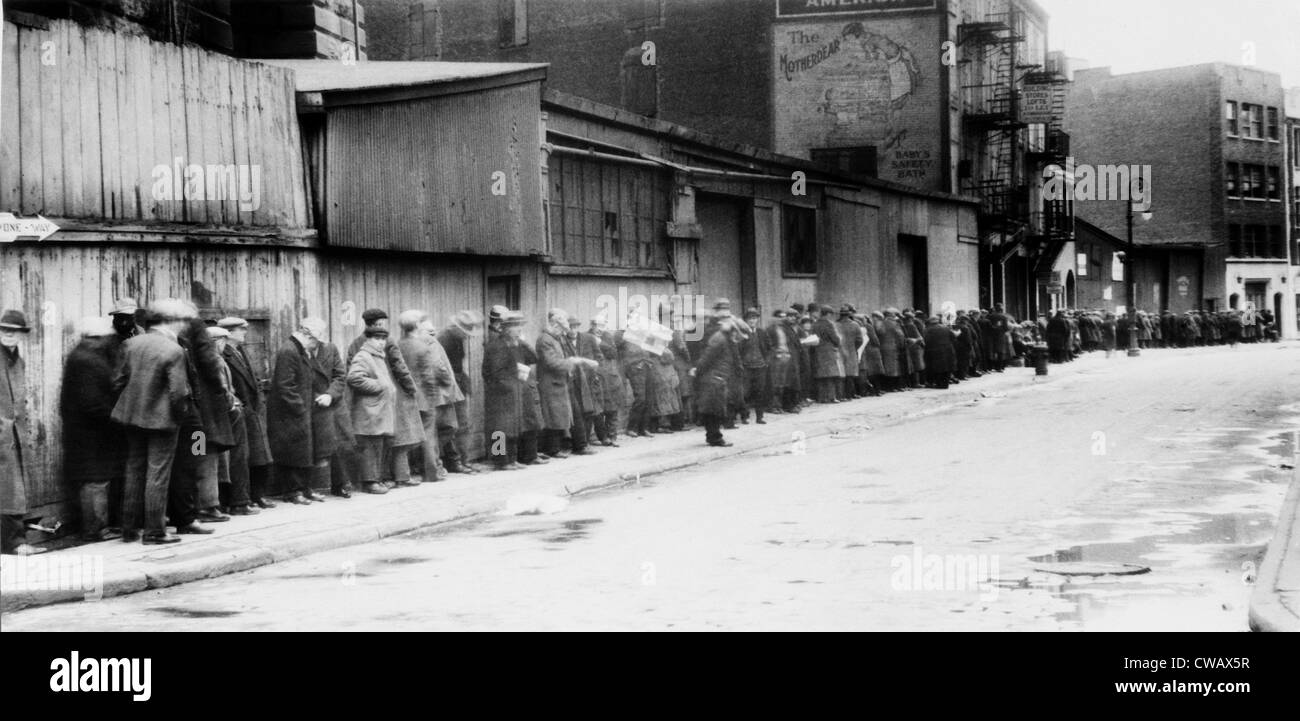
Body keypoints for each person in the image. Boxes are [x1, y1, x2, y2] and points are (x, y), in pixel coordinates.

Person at [110, 300, 195, 545]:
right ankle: (154, 532)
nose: (183, 326)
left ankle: (128, 529)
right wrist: (180, 417)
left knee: (134, 470)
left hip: (131, 418)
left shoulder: (131, 344)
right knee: (157, 475)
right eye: (181, 321)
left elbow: (117, 381)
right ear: (171, 322)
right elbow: (178, 393)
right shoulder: (173, 350)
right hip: (162, 421)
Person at [61, 317, 126, 542]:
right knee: (95, 478)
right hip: (91, 432)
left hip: (88, 430)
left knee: (96, 477)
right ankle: (95, 528)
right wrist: (115, 417)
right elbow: (92, 402)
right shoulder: (89, 360)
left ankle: (98, 526)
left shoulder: (84, 356)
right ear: (99, 338)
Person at [172, 314, 235, 531]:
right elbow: (220, 387)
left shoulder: (190, 359)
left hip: (203, 424)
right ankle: (205, 506)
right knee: (201, 460)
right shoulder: (206, 362)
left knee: (202, 459)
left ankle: (207, 505)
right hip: (203, 425)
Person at [268, 317, 330, 505]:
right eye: (314, 341)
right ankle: (293, 492)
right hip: (290, 413)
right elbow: (285, 385)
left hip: (299, 411)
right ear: (306, 335)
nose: (314, 345)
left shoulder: (298, 349)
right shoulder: (289, 351)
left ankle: (304, 489)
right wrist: (300, 408)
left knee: (304, 451)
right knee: (293, 452)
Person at [218, 317, 271, 512]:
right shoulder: (223, 356)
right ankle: (236, 501)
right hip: (235, 414)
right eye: (241, 330)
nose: (245, 333)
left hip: (250, 411)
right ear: (228, 333)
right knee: (236, 458)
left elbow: (252, 379)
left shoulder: (240, 351)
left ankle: (251, 497)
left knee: (255, 456)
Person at [2, 310, 42, 555]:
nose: (7, 333)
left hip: (12, 436)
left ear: (21, 335)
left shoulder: (18, 360)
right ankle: (14, 543)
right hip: (2, 433)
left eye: (13, 330)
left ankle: (14, 543)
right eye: (3, 329)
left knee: (12, 489)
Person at [347, 327, 397, 494]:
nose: (381, 342)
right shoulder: (363, 356)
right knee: (369, 446)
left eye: (383, 339)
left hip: (378, 409)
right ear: (367, 339)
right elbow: (354, 378)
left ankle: (377, 478)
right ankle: (369, 482)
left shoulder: (378, 356)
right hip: (369, 410)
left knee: (379, 444)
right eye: (377, 338)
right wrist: (379, 386)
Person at [397, 310, 444, 484]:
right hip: (423, 397)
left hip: (404, 398)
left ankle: (406, 473)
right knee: (428, 436)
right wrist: (432, 397)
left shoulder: (397, 345)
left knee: (406, 437)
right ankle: (431, 473)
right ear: (417, 326)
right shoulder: (423, 347)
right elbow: (428, 376)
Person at [437, 310, 484, 474]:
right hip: (449, 387)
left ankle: (462, 460)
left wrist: (465, 381)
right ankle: (454, 461)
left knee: (462, 424)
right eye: (465, 332)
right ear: (457, 327)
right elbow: (441, 368)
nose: (467, 336)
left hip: (458, 384)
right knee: (453, 425)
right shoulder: (444, 340)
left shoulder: (457, 339)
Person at [482, 310, 527, 471]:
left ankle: (512, 459)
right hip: (499, 394)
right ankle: (500, 461)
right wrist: (509, 386)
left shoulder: (514, 345)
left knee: (513, 426)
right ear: (507, 329)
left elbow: (532, 358)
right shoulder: (496, 346)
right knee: (499, 428)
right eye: (517, 328)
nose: (520, 331)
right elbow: (494, 373)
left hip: (512, 391)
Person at [694, 317, 744, 448]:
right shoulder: (719, 338)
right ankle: (715, 438)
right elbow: (707, 357)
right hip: (714, 379)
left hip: (718, 378)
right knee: (713, 410)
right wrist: (698, 370)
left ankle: (713, 437)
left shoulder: (725, 339)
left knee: (714, 409)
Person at [737, 307, 770, 424]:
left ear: (757, 320)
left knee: (759, 392)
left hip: (760, 367)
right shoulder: (742, 334)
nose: (752, 321)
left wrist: (766, 361)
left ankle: (759, 417)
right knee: (745, 393)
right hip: (746, 367)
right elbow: (737, 350)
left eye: (754, 318)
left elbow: (768, 348)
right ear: (745, 320)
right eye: (750, 319)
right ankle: (744, 417)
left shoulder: (761, 332)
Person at [766, 309, 801, 414]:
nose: (781, 319)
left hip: (786, 358)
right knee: (775, 383)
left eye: (783, 317)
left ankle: (783, 405)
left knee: (785, 382)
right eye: (779, 317)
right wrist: (775, 353)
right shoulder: (770, 329)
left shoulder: (786, 329)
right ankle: (773, 406)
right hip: (775, 359)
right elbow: (768, 344)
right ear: (774, 318)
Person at [811, 304, 844, 403]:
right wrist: (838, 341)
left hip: (817, 351)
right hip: (828, 352)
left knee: (821, 376)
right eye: (831, 314)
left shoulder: (815, 324)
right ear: (828, 314)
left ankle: (821, 398)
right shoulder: (829, 324)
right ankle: (831, 397)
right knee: (830, 376)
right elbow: (835, 339)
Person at [652, 349, 683, 432]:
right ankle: (664, 425)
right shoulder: (662, 351)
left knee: (664, 400)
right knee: (665, 400)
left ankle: (664, 424)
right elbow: (669, 358)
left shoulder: (656, 353)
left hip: (663, 373)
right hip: (663, 375)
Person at [922, 316, 957, 389]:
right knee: (947, 367)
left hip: (934, 351)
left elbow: (926, 341)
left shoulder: (927, 330)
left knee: (937, 368)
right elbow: (953, 337)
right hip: (948, 350)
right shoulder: (945, 328)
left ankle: (938, 383)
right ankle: (945, 384)